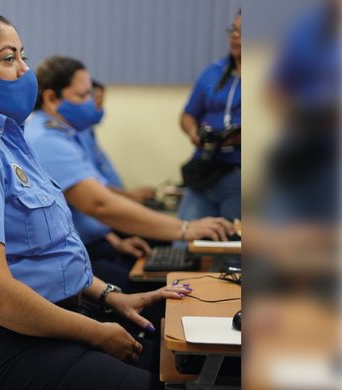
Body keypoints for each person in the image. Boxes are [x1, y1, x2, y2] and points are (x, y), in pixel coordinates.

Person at [0, 10, 195, 390]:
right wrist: (95, 332)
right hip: (4, 349)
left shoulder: (5, 136)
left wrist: (109, 295)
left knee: (182, 367)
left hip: (47, 326)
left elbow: (42, 255)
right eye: (8, 59)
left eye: (23, 55)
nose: (26, 70)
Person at [26, 55, 234, 287]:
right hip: (70, 258)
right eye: (82, 95)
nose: (91, 103)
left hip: (90, 245)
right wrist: (185, 228)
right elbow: (99, 204)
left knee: (177, 273)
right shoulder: (47, 139)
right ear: (52, 98)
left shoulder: (61, 133)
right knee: (165, 291)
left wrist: (114, 241)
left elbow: (76, 212)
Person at [178, 12, 242, 221]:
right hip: (206, 171)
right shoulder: (212, 71)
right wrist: (194, 132)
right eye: (233, 30)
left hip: (242, 176)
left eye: (242, 32)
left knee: (235, 248)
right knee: (183, 241)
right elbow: (188, 115)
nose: (235, 36)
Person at [82, 80, 156, 203]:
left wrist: (129, 195)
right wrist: (131, 195)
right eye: (98, 102)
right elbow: (91, 184)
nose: (100, 108)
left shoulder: (89, 133)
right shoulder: (78, 135)